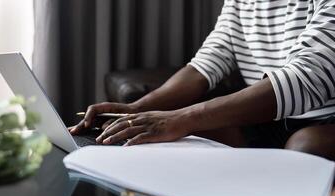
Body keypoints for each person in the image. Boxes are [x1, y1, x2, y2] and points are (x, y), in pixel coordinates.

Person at [71, 0, 335, 161]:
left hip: (326, 119)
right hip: (269, 119)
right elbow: (205, 65)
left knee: (305, 146)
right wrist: (137, 109)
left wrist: (181, 118)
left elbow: (305, 79)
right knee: (156, 141)